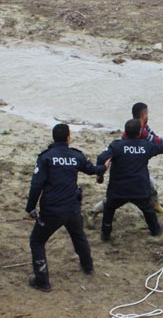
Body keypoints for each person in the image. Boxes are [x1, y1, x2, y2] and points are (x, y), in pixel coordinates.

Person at [25, 123, 109, 292]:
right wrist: (104, 167)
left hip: (52, 211)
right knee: (79, 237)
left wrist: (30, 208)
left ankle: (42, 281)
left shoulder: (46, 157)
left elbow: (36, 185)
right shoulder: (76, 156)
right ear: (68, 138)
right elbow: (91, 170)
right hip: (72, 209)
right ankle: (88, 267)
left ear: (53, 137)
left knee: (37, 241)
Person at [90, 102, 163, 218]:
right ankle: (94, 211)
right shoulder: (139, 131)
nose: (148, 115)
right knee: (119, 199)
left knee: (147, 188)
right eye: (147, 113)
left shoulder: (140, 127)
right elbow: (156, 142)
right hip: (127, 167)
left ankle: (155, 205)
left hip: (135, 163)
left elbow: (156, 138)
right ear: (143, 115)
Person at [96, 119, 163, 241]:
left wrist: (100, 175)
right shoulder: (146, 146)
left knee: (109, 208)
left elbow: (101, 157)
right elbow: (161, 147)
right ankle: (155, 229)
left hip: (118, 189)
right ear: (139, 133)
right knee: (148, 209)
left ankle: (106, 233)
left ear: (125, 132)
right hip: (139, 189)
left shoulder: (116, 146)